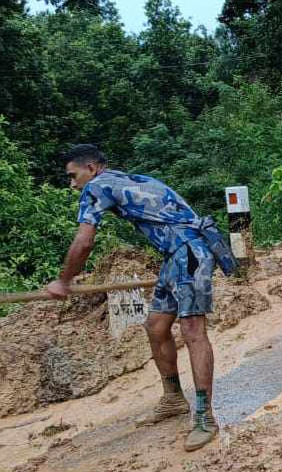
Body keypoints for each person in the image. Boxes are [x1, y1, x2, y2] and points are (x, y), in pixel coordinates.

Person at [46, 144, 224, 452]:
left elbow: (84, 241)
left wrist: (63, 282)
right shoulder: (125, 179)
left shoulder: (97, 187)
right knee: (156, 326)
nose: (72, 184)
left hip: (190, 254)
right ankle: (172, 399)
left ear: (91, 169)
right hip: (177, 255)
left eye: (73, 176)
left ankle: (204, 417)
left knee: (193, 332)